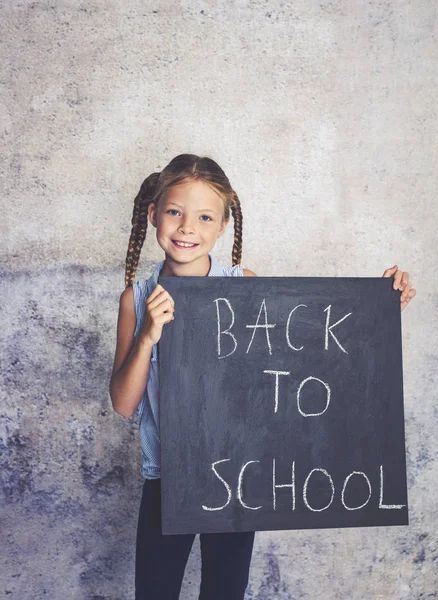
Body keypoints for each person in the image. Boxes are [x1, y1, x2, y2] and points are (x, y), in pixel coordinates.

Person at [109, 153, 417, 600]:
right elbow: (123, 404)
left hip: (239, 476)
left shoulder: (244, 285)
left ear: (222, 227)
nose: (186, 227)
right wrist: (148, 337)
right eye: (174, 212)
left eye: (204, 217)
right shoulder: (135, 300)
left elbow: (309, 352)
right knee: (154, 592)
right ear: (154, 214)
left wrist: (379, 309)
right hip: (168, 476)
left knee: (225, 591)